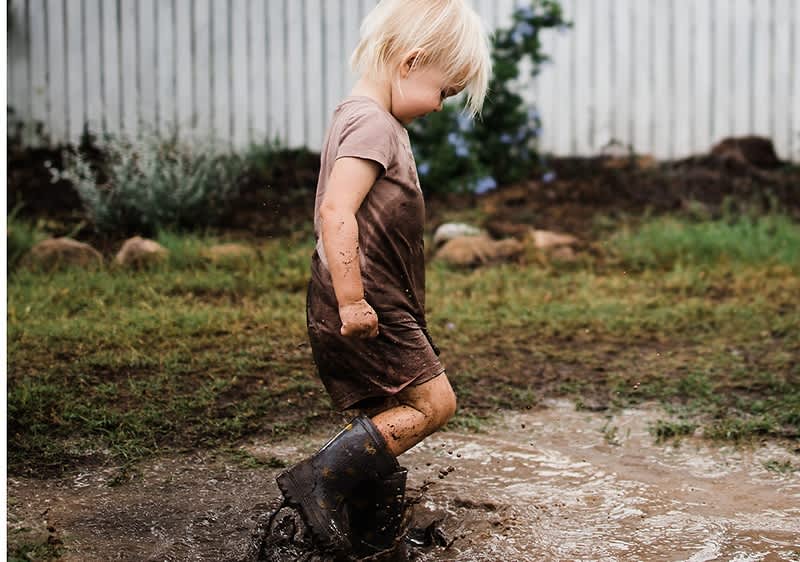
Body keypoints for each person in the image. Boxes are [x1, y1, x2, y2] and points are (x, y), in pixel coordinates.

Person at [276, 0, 491, 556]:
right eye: (444, 91)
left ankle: (374, 531)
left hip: (376, 299)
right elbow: (336, 212)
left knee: (382, 416)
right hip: (367, 302)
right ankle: (320, 479)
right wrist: (352, 301)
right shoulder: (372, 121)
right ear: (411, 60)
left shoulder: (370, 118)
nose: (442, 107)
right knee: (433, 404)